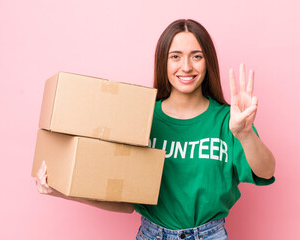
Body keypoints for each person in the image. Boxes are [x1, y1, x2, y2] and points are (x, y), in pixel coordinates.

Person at [35, 19, 275, 240]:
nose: (186, 66)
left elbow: (265, 171)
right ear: (163, 61)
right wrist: (62, 190)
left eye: (197, 56)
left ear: (208, 61)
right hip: (153, 234)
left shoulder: (228, 120)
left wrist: (244, 133)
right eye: (175, 56)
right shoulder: (142, 119)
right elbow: (125, 201)